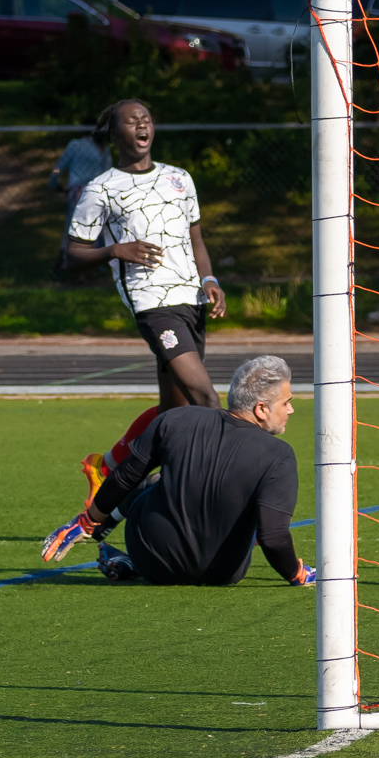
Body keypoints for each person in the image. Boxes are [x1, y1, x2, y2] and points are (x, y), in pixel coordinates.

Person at [65, 98, 228, 508]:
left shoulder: (179, 178)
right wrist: (114, 250)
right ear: (114, 133)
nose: (142, 126)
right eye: (131, 121)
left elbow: (196, 239)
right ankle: (217, 493)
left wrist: (209, 279)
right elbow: (73, 253)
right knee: (205, 399)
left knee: (173, 412)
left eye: (147, 119)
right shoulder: (100, 189)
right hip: (153, 305)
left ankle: (107, 468)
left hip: (190, 299)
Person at [40, 356, 317, 589]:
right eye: (286, 402)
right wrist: (296, 574)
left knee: (154, 481)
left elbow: (125, 476)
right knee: (250, 509)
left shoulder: (175, 419)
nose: (291, 409)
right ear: (261, 409)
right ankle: (126, 556)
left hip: (153, 562)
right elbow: (273, 537)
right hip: (223, 574)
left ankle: (114, 540)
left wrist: (86, 521)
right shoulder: (279, 455)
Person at [48, 121, 109, 272]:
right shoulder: (103, 149)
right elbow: (107, 173)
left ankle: (69, 264)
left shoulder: (75, 145)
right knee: (97, 228)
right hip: (98, 193)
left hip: (78, 193)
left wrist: (54, 183)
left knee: (73, 229)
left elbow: (58, 168)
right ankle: (97, 265)